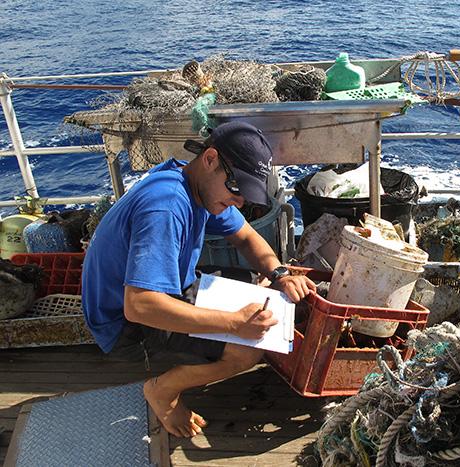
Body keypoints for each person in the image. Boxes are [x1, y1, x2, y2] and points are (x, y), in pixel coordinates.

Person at [82, 121, 316, 438]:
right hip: (124, 328)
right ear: (209, 159)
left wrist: (279, 273)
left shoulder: (194, 182)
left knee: (262, 290)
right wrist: (234, 324)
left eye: (245, 195)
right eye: (236, 189)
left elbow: (246, 236)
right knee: (248, 349)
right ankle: (162, 390)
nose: (239, 201)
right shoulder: (165, 206)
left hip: (170, 291)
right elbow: (139, 306)